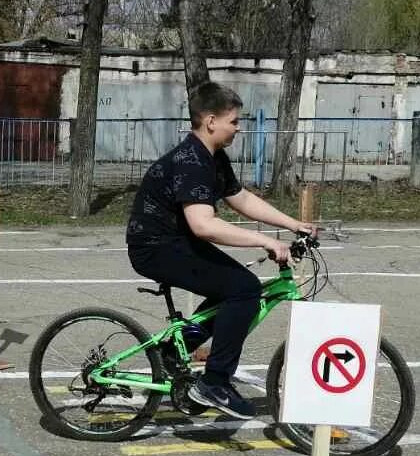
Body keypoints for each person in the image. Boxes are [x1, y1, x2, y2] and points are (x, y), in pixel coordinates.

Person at [126, 83, 317, 420]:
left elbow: (240, 198)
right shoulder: (191, 161)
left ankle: (175, 345)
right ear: (211, 121)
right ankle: (215, 382)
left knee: (231, 288)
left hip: (177, 242)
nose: (239, 128)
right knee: (243, 289)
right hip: (156, 248)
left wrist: (293, 225)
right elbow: (204, 225)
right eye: (234, 121)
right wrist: (266, 241)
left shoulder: (212, 157)